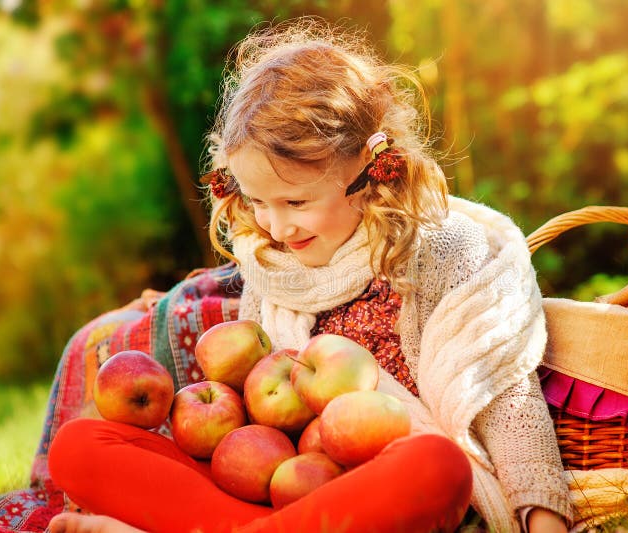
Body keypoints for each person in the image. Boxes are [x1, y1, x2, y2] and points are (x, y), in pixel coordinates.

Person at [46, 18, 572, 533]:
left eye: (295, 201)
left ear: (369, 171)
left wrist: (543, 514)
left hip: (384, 488)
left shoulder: (438, 250)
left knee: (439, 466)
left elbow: (505, 395)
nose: (275, 226)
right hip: (288, 495)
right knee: (80, 446)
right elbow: (256, 422)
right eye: (257, 202)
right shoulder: (273, 264)